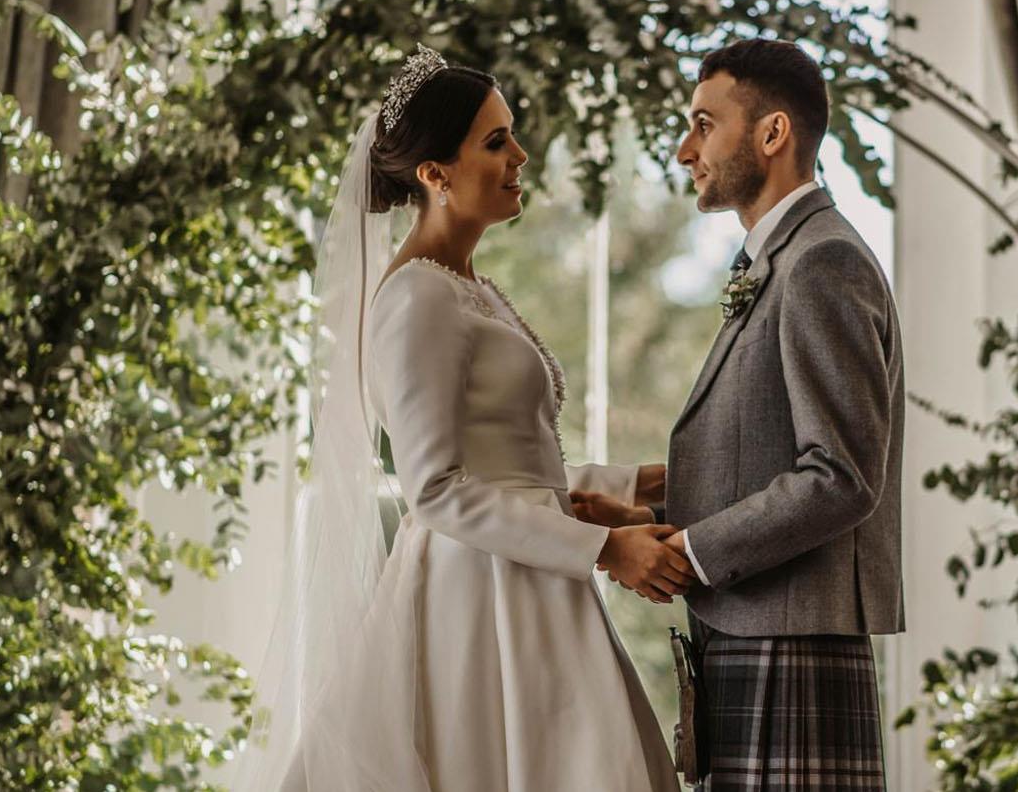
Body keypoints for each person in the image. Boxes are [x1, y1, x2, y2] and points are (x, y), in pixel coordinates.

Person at [235, 45, 685, 792]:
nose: (521, 154)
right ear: (434, 174)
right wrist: (607, 548)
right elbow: (437, 489)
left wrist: (642, 482)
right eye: (496, 140)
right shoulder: (417, 298)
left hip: (532, 578)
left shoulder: (471, 287)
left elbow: (512, 469)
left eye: (512, 134)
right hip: (479, 601)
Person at [572, 38, 906, 791]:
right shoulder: (777, 260)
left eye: (702, 123)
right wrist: (642, 507)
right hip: (754, 630)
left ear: (773, 133)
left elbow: (841, 476)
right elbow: (765, 448)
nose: (685, 148)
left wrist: (686, 550)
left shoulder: (823, 260)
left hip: (791, 641)